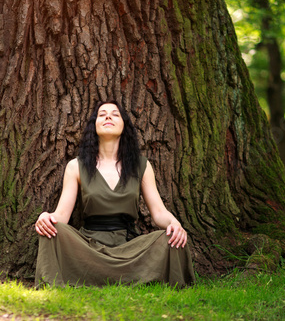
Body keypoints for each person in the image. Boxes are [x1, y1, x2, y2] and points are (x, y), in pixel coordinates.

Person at [35, 100, 195, 287]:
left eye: (115, 114)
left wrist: (174, 224)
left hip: (130, 249)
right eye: (102, 114)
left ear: (124, 125)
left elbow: (159, 212)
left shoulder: (141, 165)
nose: (108, 116)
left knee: (171, 237)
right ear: (94, 125)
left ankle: (106, 278)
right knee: (51, 232)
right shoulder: (76, 166)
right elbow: (62, 215)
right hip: (89, 248)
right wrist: (47, 217)